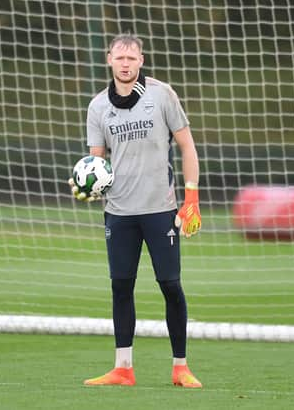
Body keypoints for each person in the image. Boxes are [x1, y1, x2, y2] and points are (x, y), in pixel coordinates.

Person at [70, 33, 202, 388]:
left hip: (161, 209)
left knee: (170, 285)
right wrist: (85, 185)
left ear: (141, 61)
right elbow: (95, 161)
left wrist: (192, 198)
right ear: (109, 60)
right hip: (119, 211)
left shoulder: (162, 94)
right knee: (120, 285)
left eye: (132, 58)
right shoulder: (98, 106)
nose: (125, 63)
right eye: (119, 57)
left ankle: (180, 367)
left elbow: (188, 147)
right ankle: (123, 369)